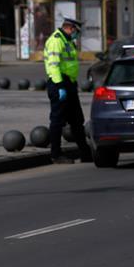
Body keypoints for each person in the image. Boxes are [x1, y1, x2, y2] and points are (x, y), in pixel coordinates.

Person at [43, 17, 93, 164]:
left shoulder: (67, 41)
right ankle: (56, 154)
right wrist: (60, 86)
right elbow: (53, 65)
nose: (77, 34)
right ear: (70, 28)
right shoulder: (56, 41)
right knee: (57, 121)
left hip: (69, 84)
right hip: (59, 84)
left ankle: (85, 153)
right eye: (77, 31)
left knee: (77, 120)